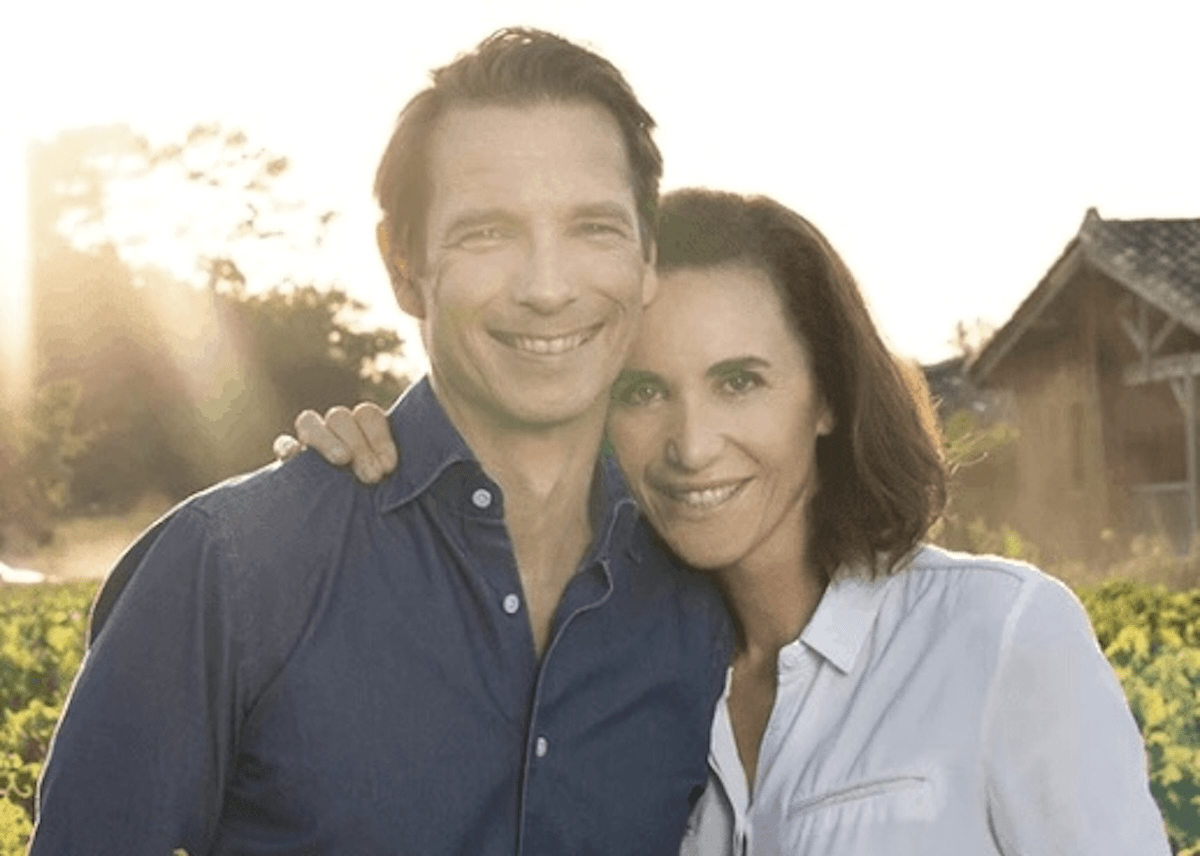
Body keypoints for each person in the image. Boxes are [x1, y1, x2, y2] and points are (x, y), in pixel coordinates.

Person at [294, 188, 1172, 854]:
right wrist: (354, 487)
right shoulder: (603, 679)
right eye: (642, 392)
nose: (691, 446)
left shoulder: (998, 634)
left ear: (826, 395)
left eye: (739, 381)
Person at [29, 30, 732, 855]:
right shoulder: (228, 568)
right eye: (487, 232)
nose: (548, 287)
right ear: (402, 267)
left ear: (647, 258)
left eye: (594, 227)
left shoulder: (707, 594)